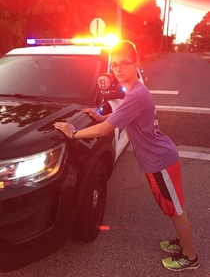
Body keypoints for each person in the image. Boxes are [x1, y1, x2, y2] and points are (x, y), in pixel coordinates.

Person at [54, 40, 199, 271]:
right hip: (155, 160)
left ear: (136, 63)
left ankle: (190, 256)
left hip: (161, 160)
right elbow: (121, 117)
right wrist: (101, 117)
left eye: (124, 63)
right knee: (169, 207)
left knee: (176, 209)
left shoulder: (136, 94)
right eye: (114, 65)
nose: (118, 69)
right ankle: (181, 242)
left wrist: (73, 133)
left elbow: (105, 131)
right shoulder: (133, 89)